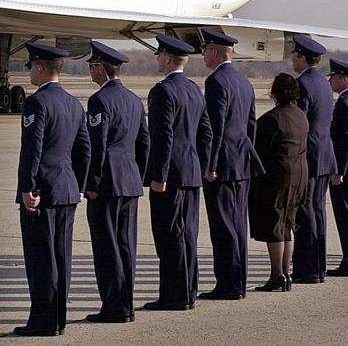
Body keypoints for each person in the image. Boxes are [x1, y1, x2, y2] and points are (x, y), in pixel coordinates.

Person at [14, 42, 91, 337]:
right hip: (67, 190)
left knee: (41, 258)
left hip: (43, 192)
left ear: (42, 67)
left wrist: (27, 188)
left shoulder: (37, 103)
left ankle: (43, 321)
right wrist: (80, 185)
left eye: (32, 66)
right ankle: (58, 318)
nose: (31, 72)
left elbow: (32, 151)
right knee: (62, 257)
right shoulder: (73, 103)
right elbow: (85, 150)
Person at [143, 34, 213, 311]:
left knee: (169, 235)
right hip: (191, 172)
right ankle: (188, 291)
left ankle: (174, 295)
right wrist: (204, 166)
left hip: (170, 175)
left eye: (159, 54)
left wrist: (158, 175)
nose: (157, 59)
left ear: (169, 58)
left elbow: (163, 138)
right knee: (188, 234)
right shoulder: (194, 89)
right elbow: (205, 133)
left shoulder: (163, 91)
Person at [83, 41, 149, 323]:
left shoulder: (100, 100)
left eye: (91, 66)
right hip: (130, 180)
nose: (90, 72)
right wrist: (139, 174)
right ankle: (127, 304)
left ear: (100, 68)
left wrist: (92, 182)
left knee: (107, 246)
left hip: (108, 183)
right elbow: (144, 142)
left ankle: (114, 306)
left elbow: (96, 146)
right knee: (126, 246)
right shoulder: (134, 99)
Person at [199, 28, 262, 300]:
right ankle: (239, 281)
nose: (203, 55)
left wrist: (210, 164)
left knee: (223, 225)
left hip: (222, 165)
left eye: (204, 50)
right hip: (241, 162)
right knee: (238, 224)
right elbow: (251, 126)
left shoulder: (216, 82)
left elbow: (215, 126)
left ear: (214, 51)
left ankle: (228, 284)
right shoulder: (243, 82)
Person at [250, 73, 309, 291]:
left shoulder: (272, 119)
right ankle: (286, 272)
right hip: (299, 174)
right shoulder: (301, 115)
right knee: (288, 223)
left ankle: (277, 274)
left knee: (274, 223)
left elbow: (258, 149)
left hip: (278, 177)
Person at [290, 34, 338, 283]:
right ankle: (317, 267)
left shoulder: (304, 84)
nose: (292, 61)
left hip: (309, 155)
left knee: (306, 212)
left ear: (302, 57)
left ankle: (307, 269)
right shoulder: (321, 82)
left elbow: (300, 124)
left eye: (294, 56)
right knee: (317, 211)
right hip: (324, 154)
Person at [327, 58, 348, 276]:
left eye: (333, 77)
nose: (331, 81)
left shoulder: (343, 103)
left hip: (344, 171)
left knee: (344, 215)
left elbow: (343, 141)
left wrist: (339, 170)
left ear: (343, 78)